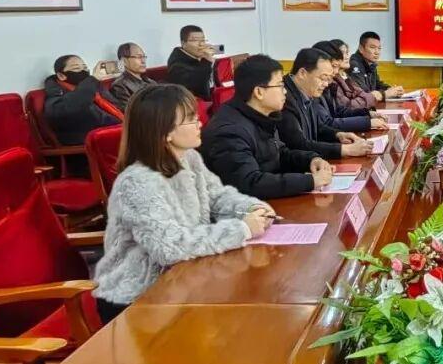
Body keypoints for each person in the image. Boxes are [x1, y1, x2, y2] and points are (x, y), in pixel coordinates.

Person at [92, 84, 276, 324]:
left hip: (183, 279)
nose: (200, 123)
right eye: (190, 119)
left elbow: (217, 197)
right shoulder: (137, 182)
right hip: (138, 296)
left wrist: (251, 208)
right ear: (165, 132)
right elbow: (169, 247)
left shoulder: (189, 158)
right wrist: (242, 229)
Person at [200, 54, 333, 199]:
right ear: (259, 92)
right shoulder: (229, 131)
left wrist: (311, 160)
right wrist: (310, 181)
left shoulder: (261, 115)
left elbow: (279, 154)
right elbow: (250, 183)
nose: (285, 91)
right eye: (280, 85)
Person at [280, 47, 373, 159]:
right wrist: (345, 150)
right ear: (302, 73)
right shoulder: (284, 99)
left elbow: (318, 128)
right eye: (323, 78)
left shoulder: (307, 90)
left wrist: (338, 135)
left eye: (328, 79)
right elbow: (298, 144)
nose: (326, 84)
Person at [44, 55, 123, 146]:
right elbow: (74, 105)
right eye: (76, 68)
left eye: (85, 68)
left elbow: (118, 106)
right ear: (61, 76)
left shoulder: (94, 88)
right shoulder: (56, 100)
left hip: (115, 132)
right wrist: (93, 79)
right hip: (90, 143)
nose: (83, 71)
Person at [312, 40, 388, 132]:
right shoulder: (320, 88)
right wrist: (368, 122)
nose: (335, 72)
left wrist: (368, 114)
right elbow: (327, 123)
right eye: (334, 66)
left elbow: (338, 111)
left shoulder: (332, 83)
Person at [348, 31, 404, 101]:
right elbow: (363, 94)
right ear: (361, 48)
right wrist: (386, 94)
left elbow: (377, 85)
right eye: (372, 47)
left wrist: (391, 89)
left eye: (379, 48)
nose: (377, 52)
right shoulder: (354, 64)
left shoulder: (371, 64)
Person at [166, 25, 215, 101]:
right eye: (195, 40)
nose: (201, 44)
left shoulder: (198, 57)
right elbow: (197, 85)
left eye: (203, 40)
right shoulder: (177, 65)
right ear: (183, 43)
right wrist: (207, 62)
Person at [329, 39, 378, 110]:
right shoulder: (332, 81)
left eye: (347, 53)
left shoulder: (345, 76)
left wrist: (370, 97)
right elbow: (349, 106)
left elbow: (361, 93)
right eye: (342, 53)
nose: (347, 57)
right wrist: (372, 96)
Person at [110, 42, 157, 111]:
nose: (143, 61)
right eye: (139, 57)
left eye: (144, 57)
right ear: (124, 61)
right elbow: (130, 112)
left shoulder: (149, 81)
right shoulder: (119, 86)